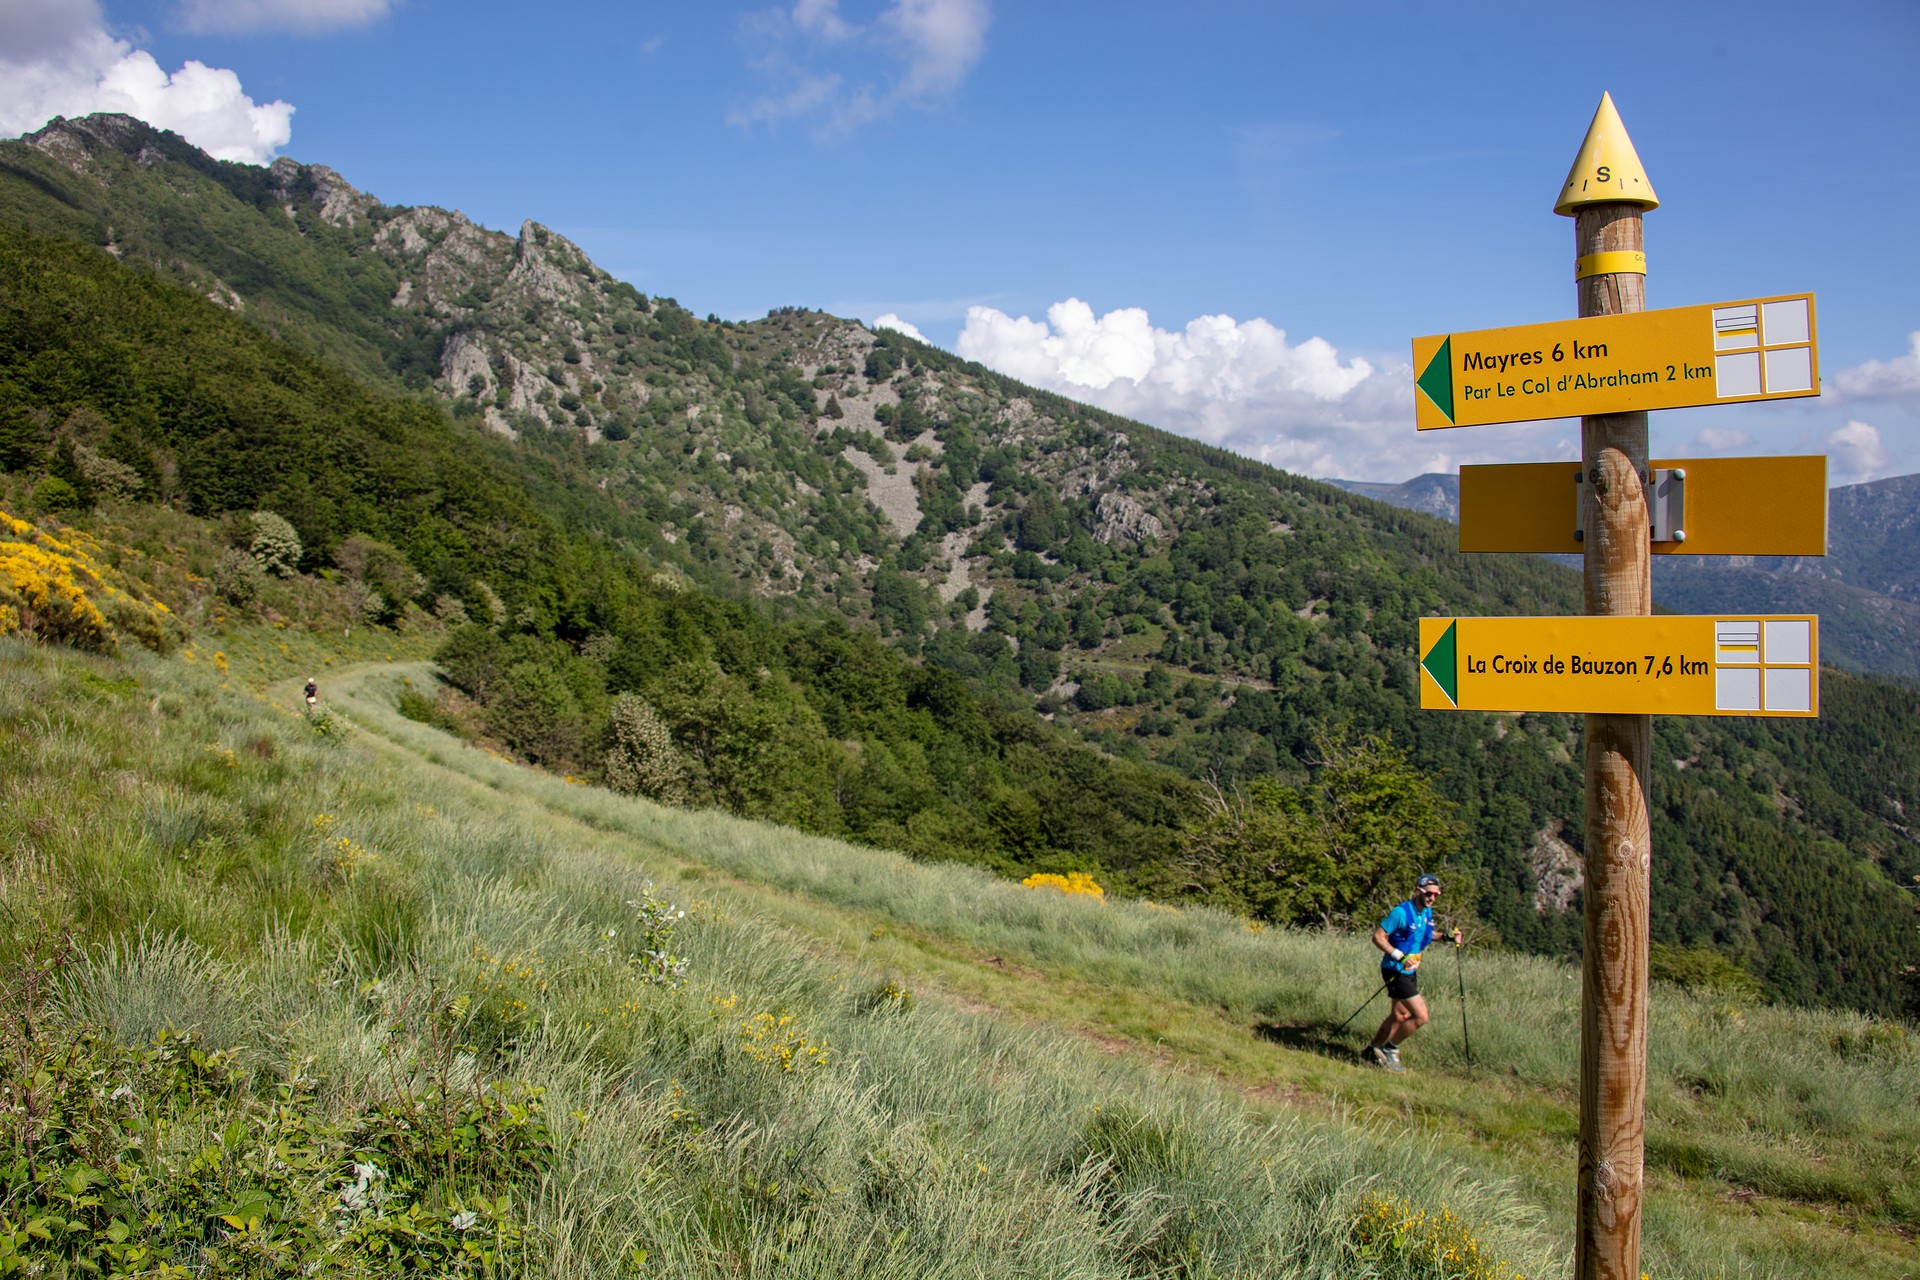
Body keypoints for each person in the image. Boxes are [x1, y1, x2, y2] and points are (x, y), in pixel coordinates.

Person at [1361, 873, 1461, 1072]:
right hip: (1395, 970)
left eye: (1435, 895)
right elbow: (1378, 937)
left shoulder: (1426, 912)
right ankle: (1391, 1049)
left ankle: (1371, 1051)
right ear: (1418, 891)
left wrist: (1445, 936)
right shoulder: (1401, 912)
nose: (1432, 898)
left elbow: (1424, 934)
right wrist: (1399, 956)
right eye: (1428, 894)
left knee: (1399, 1015)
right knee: (1421, 1016)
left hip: (1410, 970)